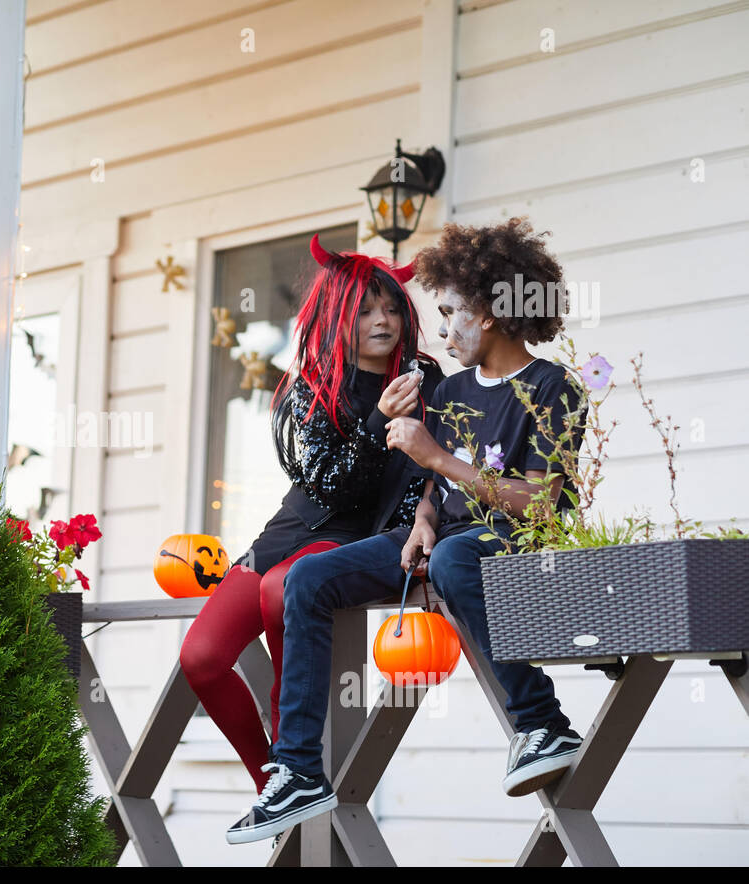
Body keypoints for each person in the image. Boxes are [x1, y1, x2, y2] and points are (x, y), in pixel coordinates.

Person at [227, 217, 586, 844]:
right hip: (442, 538)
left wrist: (437, 460)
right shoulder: (448, 392)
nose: (441, 331)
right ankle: (299, 769)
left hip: (511, 541)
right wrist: (422, 518)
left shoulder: (552, 387)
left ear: (490, 313)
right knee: (308, 577)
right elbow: (431, 489)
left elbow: (541, 505)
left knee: (453, 559)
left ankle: (543, 721)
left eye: (450, 314)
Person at [180, 235, 443, 793]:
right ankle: (266, 780)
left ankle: (293, 766)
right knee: (200, 658)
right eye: (367, 309)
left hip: (351, 539)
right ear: (337, 315)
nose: (383, 320)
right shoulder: (312, 388)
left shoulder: (428, 383)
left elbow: (427, 474)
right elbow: (330, 482)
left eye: (393, 308)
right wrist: (376, 422)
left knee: (284, 591)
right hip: (289, 530)